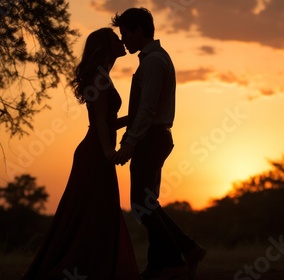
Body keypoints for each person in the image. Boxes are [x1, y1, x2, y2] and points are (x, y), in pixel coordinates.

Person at [22, 28, 140, 280]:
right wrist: (109, 151)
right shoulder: (99, 77)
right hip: (95, 152)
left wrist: (136, 119)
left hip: (98, 150)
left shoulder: (103, 75)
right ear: (105, 46)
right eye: (114, 39)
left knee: (96, 210)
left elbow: (107, 122)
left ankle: (91, 268)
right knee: (93, 210)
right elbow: (99, 121)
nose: (121, 41)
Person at [112, 7, 206, 280]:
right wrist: (117, 124)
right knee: (147, 203)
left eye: (125, 34)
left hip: (151, 138)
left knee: (142, 204)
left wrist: (129, 142)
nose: (124, 40)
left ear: (139, 31)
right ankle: (163, 263)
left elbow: (148, 110)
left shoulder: (153, 61)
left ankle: (182, 255)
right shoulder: (154, 59)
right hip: (155, 136)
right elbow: (145, 109)